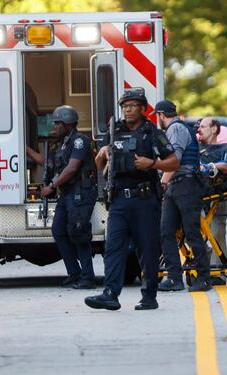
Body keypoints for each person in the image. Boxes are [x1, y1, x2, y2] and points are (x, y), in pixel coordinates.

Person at [85, 89, 179, 311]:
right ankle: (110, 293)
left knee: (147, 250)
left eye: (132, 105)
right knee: (113, 248)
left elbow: (174, 162)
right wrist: (100, 155)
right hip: (118, 200)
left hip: (145, 200)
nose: (127, 110)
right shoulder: (113, 132)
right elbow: (100, 168)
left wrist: (152, 164)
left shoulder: (152, 133)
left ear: (143, 108)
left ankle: (149, 295)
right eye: (124, 106)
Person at [39, 105, 98, 289]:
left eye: (57, 123)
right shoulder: (60, 144)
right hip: (67, 194)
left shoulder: (79, 141)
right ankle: (74, 273)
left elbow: (72, 168)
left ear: (67, 123)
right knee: (58, 230)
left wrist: (51, 187)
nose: (54, 127)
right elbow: (47, 163)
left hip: (80, 191)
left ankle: (88, 278)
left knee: (79, 232)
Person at [156, 100, 211, 292]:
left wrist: (162, 182)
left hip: (186, 185)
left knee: (191, 232)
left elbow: (175, 161)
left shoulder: (176, 128)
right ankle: (174, 278)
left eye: (158, 116)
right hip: (175, 186)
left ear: (161, 115)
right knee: (165, 231)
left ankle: (204, 279)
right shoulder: (175, 128)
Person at [197, 117, 227, 266]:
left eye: (203, 126)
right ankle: (206, 259)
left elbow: (225, 165)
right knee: (188, 231)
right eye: (199, 127)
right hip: (196, 193)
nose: (199, 129)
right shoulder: (194, 148)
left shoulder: (224, 148)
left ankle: (219, 271)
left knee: (217, 231)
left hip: (219, 193)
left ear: (214, 129)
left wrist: (208, 167)